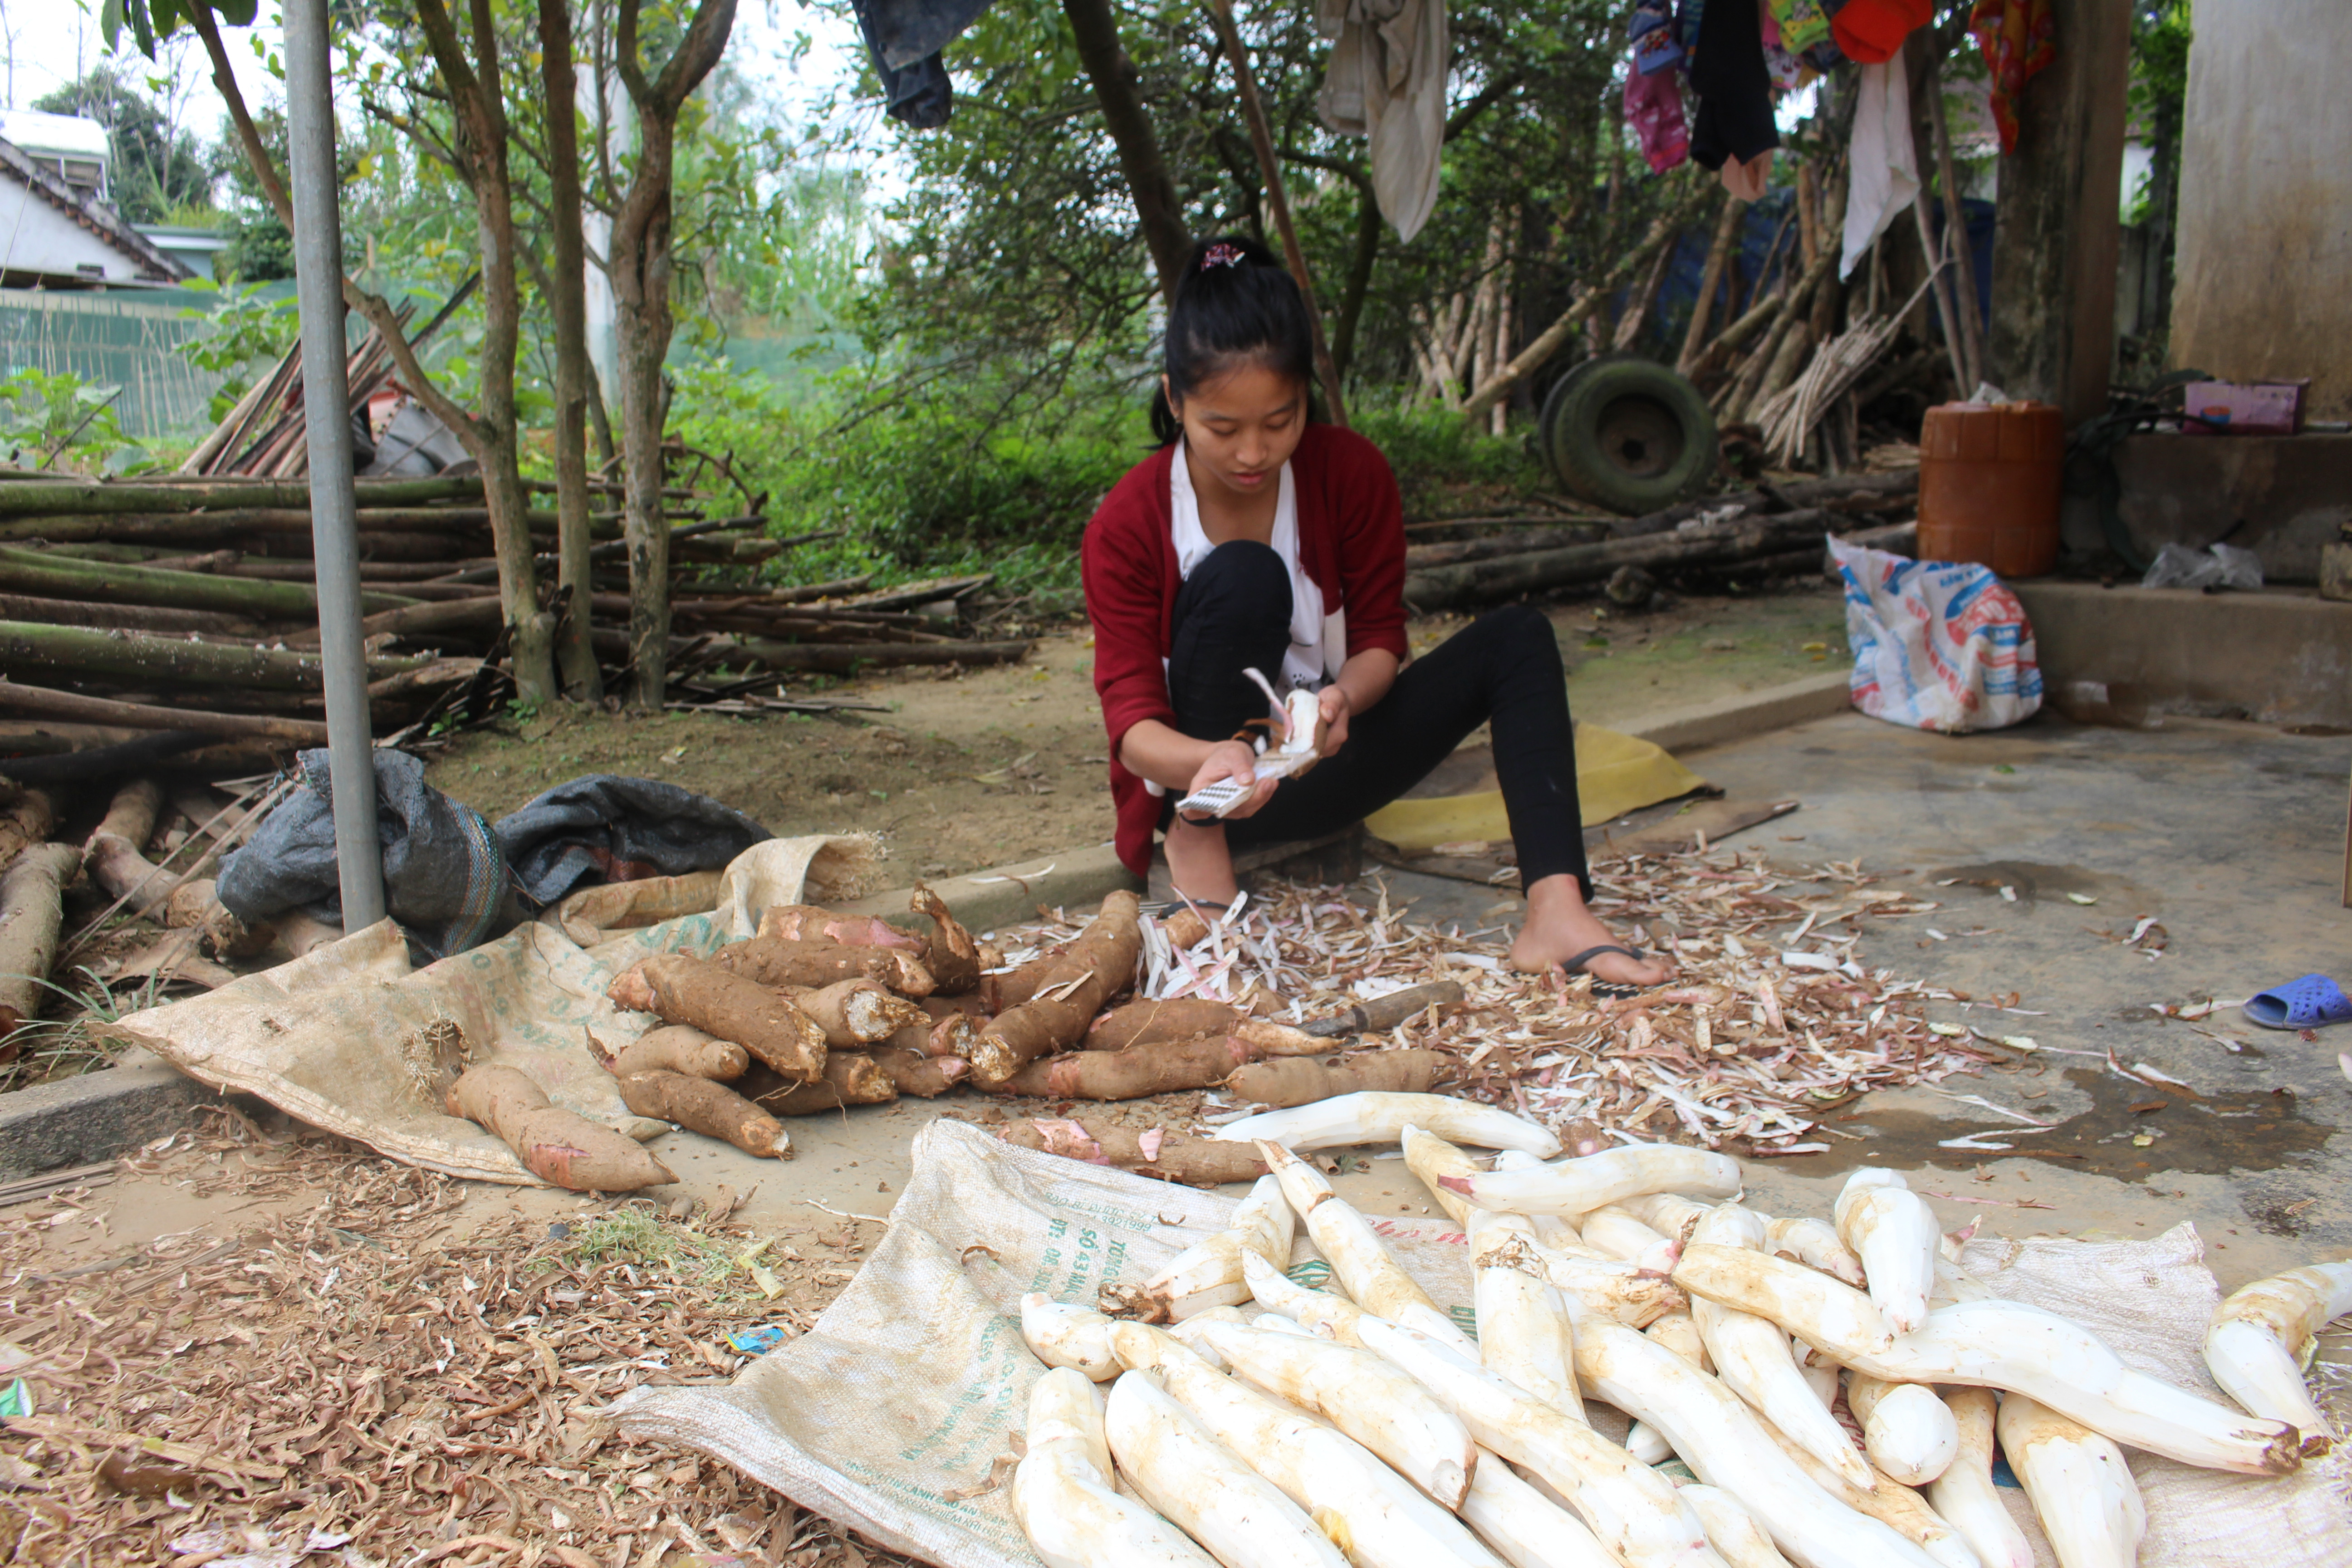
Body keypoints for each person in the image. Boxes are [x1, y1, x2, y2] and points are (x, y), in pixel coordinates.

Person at [1080, 235, 1673, 991]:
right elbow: (1132, 733)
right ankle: (1198, 850)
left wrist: (1341, 701)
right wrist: (1208, 763)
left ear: (1306, 398)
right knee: (1244, 577)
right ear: (1175, 400)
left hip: (1321, 763)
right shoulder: (1129, 522)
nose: (1254, 452)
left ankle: (1555, 911)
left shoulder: (1350, 473)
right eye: (1222, 428)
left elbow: (1379, 644)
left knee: (1518, 639)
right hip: (1213, 785)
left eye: (1281, 420)